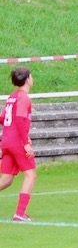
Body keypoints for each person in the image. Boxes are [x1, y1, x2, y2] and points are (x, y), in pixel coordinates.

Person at [1, 67, 37, 221]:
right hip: (17, 142)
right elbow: (19, 120)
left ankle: (20, 214)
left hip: (7, 141)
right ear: (28, 79)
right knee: (30, 175)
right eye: (32, 76)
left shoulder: (12, 97)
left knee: (6, 179)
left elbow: (3, 118)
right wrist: (25, 142)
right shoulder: (23, 97)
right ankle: (20, 213)